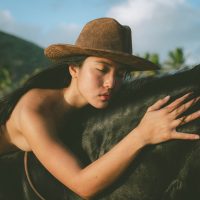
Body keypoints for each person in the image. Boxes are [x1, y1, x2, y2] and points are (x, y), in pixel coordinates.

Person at [0, 17, 200, 199]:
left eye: (120, 74)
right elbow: (82, 185)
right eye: (102, 69)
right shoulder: (34, 111)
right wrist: (143, 134)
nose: (111, 83)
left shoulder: (94, 101)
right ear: (74, 69)